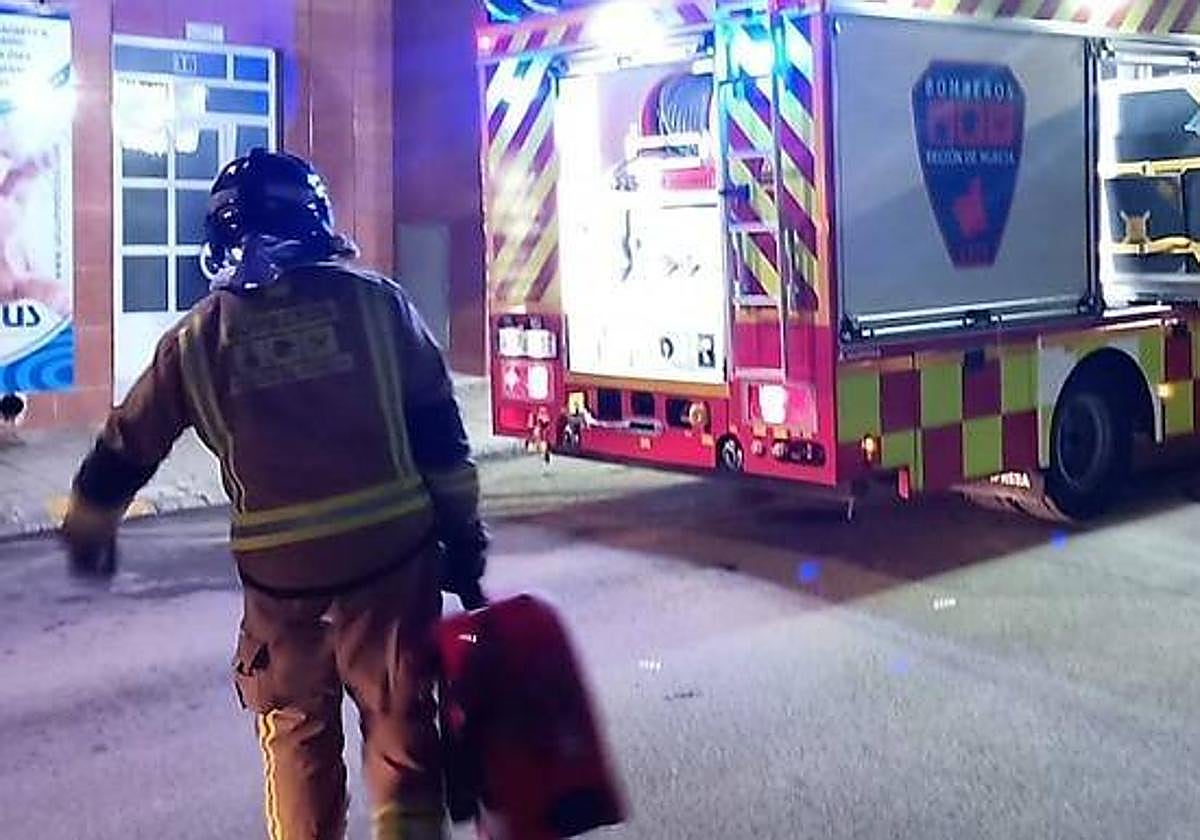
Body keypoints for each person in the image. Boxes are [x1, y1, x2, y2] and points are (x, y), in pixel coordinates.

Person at [60, 148, 488, 840]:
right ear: (316, 221)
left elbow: (126, 441)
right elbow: (442, 438)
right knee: (402, 735)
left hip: (281, 590)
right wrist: (464, 539)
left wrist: (89, 518)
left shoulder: (197, 339)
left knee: (296, 740)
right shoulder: (380, 307)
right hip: (390, 570)